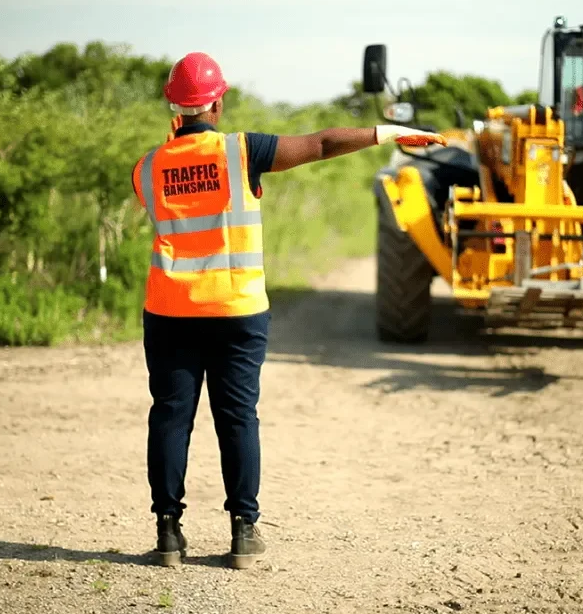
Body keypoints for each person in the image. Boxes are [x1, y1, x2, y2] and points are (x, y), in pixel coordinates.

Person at [130, 51, 445, 570]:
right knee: (237, 418)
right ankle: (244, 534)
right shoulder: (241, 152)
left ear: (174, 106)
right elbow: (320, 143)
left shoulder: (147, 167)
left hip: (169, 312)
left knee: (169, 417)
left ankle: (168, 535)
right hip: (237, 310)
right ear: (218, 100)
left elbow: (159, 195)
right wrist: (387, 133)